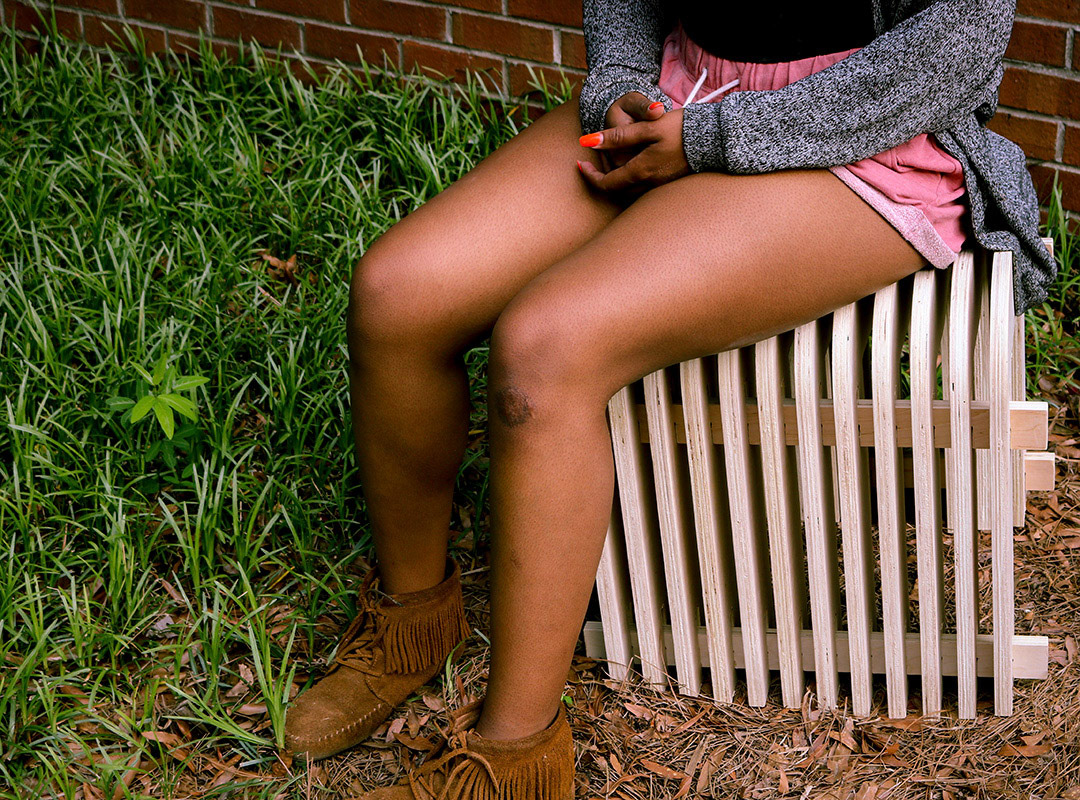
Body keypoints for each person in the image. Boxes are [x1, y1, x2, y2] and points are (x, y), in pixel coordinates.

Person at [283, 0, 1057, 797]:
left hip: (859, 138)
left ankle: (516, 754)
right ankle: (413, 620)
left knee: (545, 348)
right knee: (396, 295)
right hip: (685, 94)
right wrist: (623, 87)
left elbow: (954, 50)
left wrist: (708, 142)